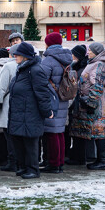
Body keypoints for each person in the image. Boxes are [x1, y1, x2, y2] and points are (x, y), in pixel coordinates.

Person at [8, 42, 54, 179]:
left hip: (30, 113)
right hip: (19, 112)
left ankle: (33, 169)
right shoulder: (22, 69)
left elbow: (43, 94)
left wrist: (47, 111)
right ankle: (23, 167)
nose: (14, 56)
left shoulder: (35, 70)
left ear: (25, 56)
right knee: (19, 142)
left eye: (17, 54)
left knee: (30, 143)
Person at [69, 42, 105, 170]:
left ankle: (103, 161)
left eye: (90, 50)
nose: (87, 52)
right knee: (96, 133)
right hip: (95, 105)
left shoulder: (99, 65)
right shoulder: (95, 63)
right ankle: (100, 160)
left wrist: (90, 102)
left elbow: (97, 87)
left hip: (98, 107)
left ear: (97, 52)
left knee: (99, 134)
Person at [40, 32, 73, 174]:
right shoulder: (66, 58)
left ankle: (53, 164)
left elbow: (41, 79)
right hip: (63, 97)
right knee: (59, 132)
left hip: (51, 98)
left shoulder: (49, 60)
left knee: (52, 133)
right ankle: (59, 162)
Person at [0, 45, 19, 172]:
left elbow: (1, 87)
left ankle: (12, 161)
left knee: (9, 136)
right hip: (23, 106)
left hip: (8, 103)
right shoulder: (29, 64)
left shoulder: (8, 66)